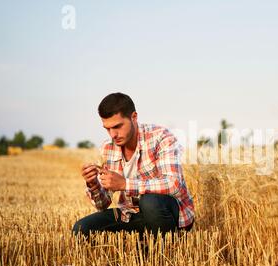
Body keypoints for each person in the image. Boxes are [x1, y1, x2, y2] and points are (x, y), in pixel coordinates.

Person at [73, 92, 195, 239]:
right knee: (81, 229)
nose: (112, 134)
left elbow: (173, 184)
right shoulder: (107, 147)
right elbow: (102, 205)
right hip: (131, 214)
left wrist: (125, 184)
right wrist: (93, 184)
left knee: (149, 201)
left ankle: (162, 253)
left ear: (134, 117)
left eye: (117, 126)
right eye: (107, 128)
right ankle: (141, 246)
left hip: (168, 216)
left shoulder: (161, 137)